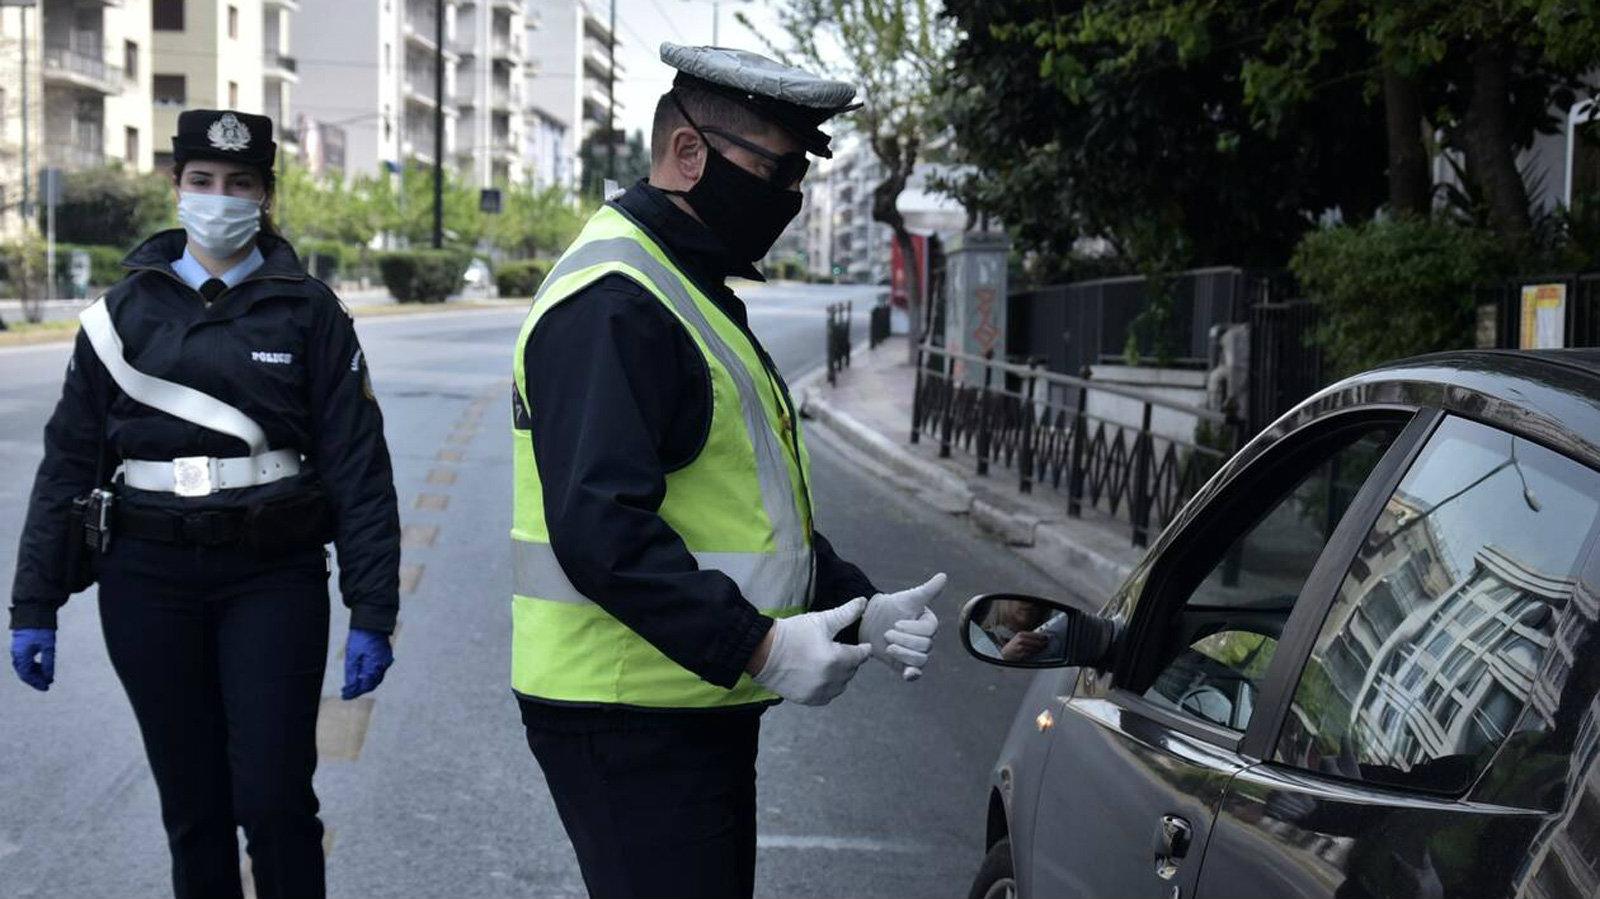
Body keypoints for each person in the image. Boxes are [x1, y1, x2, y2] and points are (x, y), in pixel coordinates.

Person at [510, 43, 947, 898]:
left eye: (799, 177)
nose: (790, 197)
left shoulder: (683, 282)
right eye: (776, 171)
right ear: (687, 155)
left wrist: (852, 605)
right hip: (626, 708)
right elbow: (602, 530)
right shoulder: (616, 298)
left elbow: (739, 510)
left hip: (675, 700)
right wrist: (759, 643)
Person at [7, 109, 401, 899]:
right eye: (202, 181)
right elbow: (68, 463)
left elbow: (358, 466)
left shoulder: (309, 310)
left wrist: (371, 608)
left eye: (239, 183)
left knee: (275, 798)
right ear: (176, 187)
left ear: (265, 196)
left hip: (272, 575)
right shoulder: (120, 315)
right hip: (146, 577)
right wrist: (34, 601)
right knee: (193, 809)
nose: (219, 198)